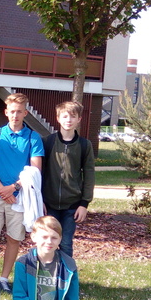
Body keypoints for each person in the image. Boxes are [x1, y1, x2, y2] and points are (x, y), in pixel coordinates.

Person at [0, 93, 44, 293]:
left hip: (19, 196)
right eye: (12, 111)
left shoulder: (33, 137)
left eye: (19, 112)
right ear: (6, 112)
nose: (15, 115)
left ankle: (3, 278)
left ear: (25, 113)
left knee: (14, 238)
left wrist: (14, 188)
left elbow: (35, 170)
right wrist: (2, 189)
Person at [42, 101, 95, 258]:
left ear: (79, 119)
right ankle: (48, 270)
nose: (69, 120)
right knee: (48, 241)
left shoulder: (84, 145)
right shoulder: (48, 142)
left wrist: (84, 204)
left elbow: (89, 175)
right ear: (58, 118)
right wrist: (40, 199)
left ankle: (65, 272)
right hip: (49, 204)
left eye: (73, 116)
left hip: (72, 205)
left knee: (65, 242)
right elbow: (39, 173)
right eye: (65, 116)